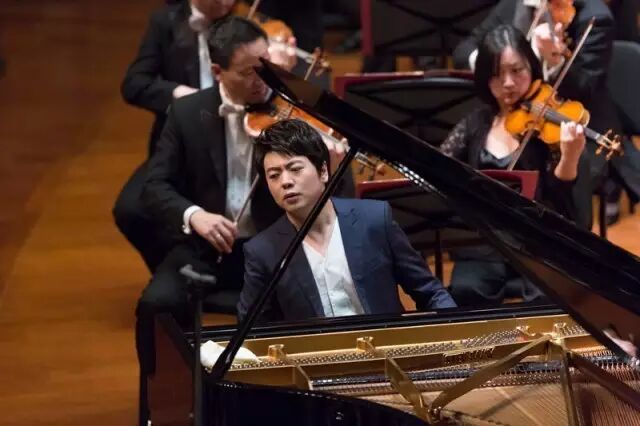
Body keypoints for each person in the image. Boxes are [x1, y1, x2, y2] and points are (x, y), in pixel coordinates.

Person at [135, 17, 350, 425]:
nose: (262, 79)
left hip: (275, 246)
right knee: (155, 304)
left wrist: (329, 170)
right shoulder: (186, 112)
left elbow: (336, 196)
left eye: (266, 64)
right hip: (206, 248)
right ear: (218, 71)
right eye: (250, 71)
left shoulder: (293, 109)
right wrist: (195, 216)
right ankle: (159, 407)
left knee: (298, 308)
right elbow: (155, 187)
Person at [113, 0, 297, 272]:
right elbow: (134, 84)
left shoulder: (249, 27)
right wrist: (183, 97)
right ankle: (179, 266)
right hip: (191, 139)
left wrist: (281, 71)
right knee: (131, 209)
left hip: (248, 131)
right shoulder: (165, 23)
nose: (228, 1)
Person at [237, 119, 456, 323]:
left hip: (385, 346)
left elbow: (430, 292)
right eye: (274, 175)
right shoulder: (262, 251)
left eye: (295, 169)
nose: (285, 182)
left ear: (323, 171)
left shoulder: (374, 220)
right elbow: (252, 329)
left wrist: (456, 335)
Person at [452, 0, 640, 230]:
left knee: (554, 187)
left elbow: (586, 88)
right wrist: (493, 62)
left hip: (579, 126)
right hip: (517, 118)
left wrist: (556, 63)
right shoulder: (516, 5)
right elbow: (463, 50)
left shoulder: (594, 18)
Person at [441, 25, 586, 306]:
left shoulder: (547, 127)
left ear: (532, 68)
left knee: (546, 295)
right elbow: (438, 166)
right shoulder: (476, 123)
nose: (508, 83)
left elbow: (562, 198)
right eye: (497, 74)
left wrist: (569, 156)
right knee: (467, 289)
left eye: (517, 71)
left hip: (538, 242)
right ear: (485, 78)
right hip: (485, 243)